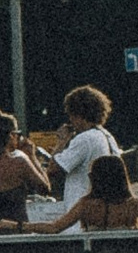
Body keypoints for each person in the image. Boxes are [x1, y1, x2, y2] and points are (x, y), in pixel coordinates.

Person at [27, 86, 119, 224]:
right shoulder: (107, 136)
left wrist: (62, 141)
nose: (70, 121)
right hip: (103, 210)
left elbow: (53, 169)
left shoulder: (85, 139)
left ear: (79, 115)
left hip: (80, 214)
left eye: (71, 115)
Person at [38, 147, 138, 236]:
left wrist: (27, 227)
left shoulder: (86, 205)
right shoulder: (134, 204)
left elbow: (55, 227)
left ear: (95, 178)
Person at [0, 111, 54, 230]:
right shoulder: (20, 162)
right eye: (18, 134)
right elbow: (45, 188)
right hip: (17, 229)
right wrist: (32, 156)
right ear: (12, 135)